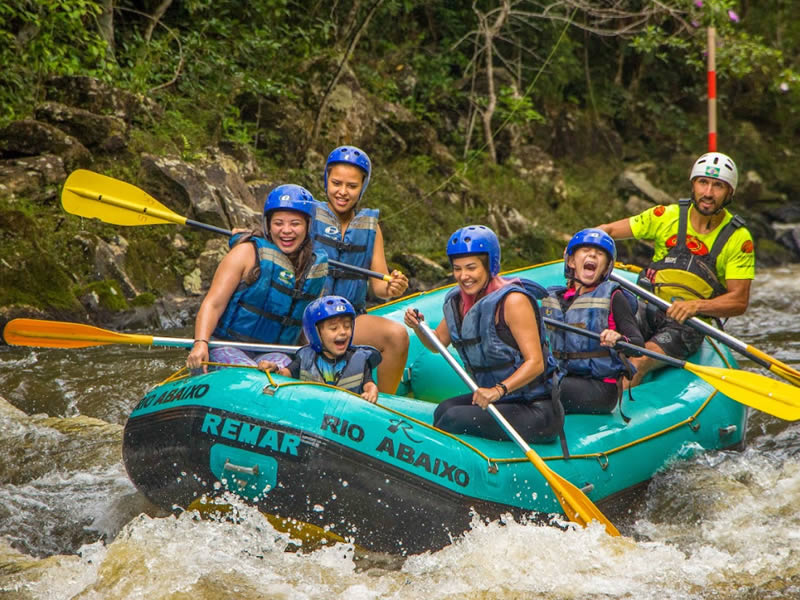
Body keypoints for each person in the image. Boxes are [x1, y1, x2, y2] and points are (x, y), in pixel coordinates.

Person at [597, 152, 755, 386]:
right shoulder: (665, 216)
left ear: (729, 192)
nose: (708, 193)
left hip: (687, 325)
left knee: (638, 361)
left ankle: (618, 417)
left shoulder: (739, 239)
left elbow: (739, 301)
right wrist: (581, 244)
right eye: (703, 182)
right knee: (598, 344)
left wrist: (696, 306)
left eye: (718, 186)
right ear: (693, 184)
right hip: (644, 307)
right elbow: (608, 231)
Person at [403, 225, 563, 443]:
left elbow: (535, 363)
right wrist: (419, 328)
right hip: (503, 401)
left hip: (536, 409)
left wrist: (497, 390)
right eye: (457, 269)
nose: (463, 276)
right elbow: (437, 343)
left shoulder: (513, 301)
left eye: (471, 268)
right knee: (443, 409)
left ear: (490, 266)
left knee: (452, 417)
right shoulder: (459, 302)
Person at [186, 184, 328, 372]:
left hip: (273, 352)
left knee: (284, 367)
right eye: (278, 223)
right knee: (250, 371)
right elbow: (213, 304)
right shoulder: (246, 253)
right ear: (268, 225)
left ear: (308, 226)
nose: (286, 230)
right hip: (224, 346)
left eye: (295, 223)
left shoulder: (313, 271)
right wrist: (201, 343)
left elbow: (304, 330)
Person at [311, 145, 409, 394]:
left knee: (397, 335)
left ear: (362, 188)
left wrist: (393, 286)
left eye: (352, 186)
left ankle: (384, 407)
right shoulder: (307, 215)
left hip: (348, 318)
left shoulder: (371, 230)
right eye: (336, 183)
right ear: (326, 180)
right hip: (308, 317)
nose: (342, 192)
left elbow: (379, 287)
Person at [541, 229, 644, 415]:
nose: (593, 255)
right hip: (561, 376)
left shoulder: (614, 296)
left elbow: (637, 344)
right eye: (586, 250)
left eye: (600, 253)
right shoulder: (553, 297)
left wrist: (619, 338)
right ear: (572, 261)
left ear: (605, 268)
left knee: (536, 388)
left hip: (600, 389)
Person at [259, 295, 381, 403]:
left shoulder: (359, 359)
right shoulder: (305, 357)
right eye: (334, 328)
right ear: (316, 333)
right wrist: (274, 368)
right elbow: (284, 374)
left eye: (347, 326)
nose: (343, 332)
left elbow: (369, 384)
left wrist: (372, 391)